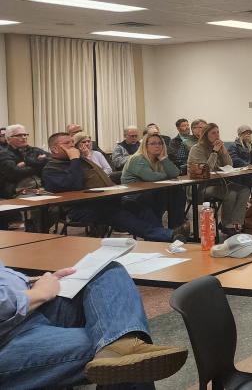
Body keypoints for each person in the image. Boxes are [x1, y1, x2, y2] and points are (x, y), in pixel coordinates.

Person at [0, 260, 188, 388]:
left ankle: (120, 344)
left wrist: (32, 282)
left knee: (106, 269)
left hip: (21, 313)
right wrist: (37, 294)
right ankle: (119, 347)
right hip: (8, 339)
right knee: (119, 350)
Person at [43, 132, 185, 242]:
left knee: (139, 207)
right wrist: (75, 159)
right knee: (118, 214)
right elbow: (75, 185)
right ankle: (168, 235)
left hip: (105, 198)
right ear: (55, 149)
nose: (73, 147)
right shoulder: (51, 169)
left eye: (73, 143)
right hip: (81, 208)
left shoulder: (80, 161)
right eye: (67, 144)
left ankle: (160, 238)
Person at [188, 123, 249, 236]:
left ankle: (235, 223)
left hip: (219, 183)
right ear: (206, 135)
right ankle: (226, 225)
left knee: (244, 190)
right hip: (201, 186)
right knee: (230, 193)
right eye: (213, 133)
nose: (217, 135)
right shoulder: (196, 149)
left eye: (218, 132)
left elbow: (229, 165)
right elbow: (206, 169)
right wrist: (215, 152)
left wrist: (223, 151)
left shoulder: (219, 147)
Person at [121, 133, 188, 236]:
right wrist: (167, 175)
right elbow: (151, 177)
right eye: (152, 143)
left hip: (151, 193)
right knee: (160, 193)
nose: (157, 146)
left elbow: (175, 173)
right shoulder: (137, 158)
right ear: (145, 146)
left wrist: (164, 159)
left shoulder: (159, 159)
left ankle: (176, 228)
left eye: (160, 143)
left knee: (177, 191)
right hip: (133, 196)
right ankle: (165, 234)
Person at [0, 125, 50, 230]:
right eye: (19, 135)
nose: (24, 137)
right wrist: (38, 164)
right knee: (38, 208)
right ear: (9, 139)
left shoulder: (33, 150)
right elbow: (14, 172)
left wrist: (27, 162)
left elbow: (49, 159)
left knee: (55, 207)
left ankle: (39, 231)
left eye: (25, 134)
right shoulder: (4, 154)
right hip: (19, 192)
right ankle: (37, 234)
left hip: (40, 190)